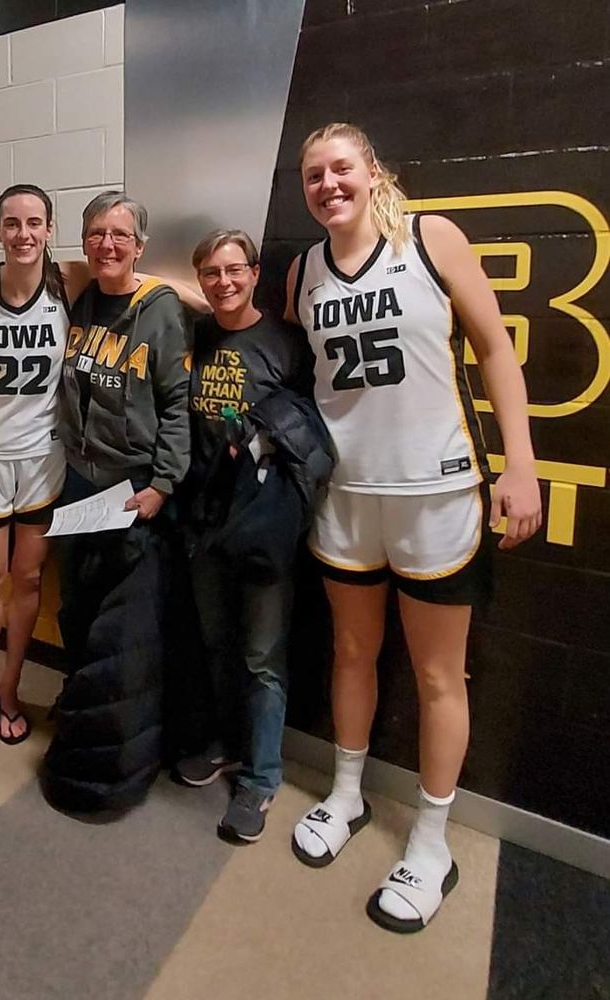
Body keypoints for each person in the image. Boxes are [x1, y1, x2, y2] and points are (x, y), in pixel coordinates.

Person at [285, 123, 542, 932]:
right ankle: (346, 792)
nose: (327, 185)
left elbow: (497, 350)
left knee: (439, 677)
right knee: (351, 652)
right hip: (347, 496)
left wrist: (521, 462)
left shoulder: (430, 237)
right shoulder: (301, 272)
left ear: (372, 172)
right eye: (312, 176)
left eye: (340, 170)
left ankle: (431, 843)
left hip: (435, 493)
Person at [0, 185, 206, 749]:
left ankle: (14, 689)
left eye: (34, 222)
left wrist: (216, 298)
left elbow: (142, 280)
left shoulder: (68, 279)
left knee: (35, 580)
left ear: (48, 228)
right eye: (11, 223)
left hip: (49, 459)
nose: (23, 233)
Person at [41, 190, 193, 813]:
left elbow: (179, 403)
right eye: (97, 233)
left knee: (125, 625)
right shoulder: (80, 298)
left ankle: (120, 739)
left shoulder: (159, 311)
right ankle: (83, 714)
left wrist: (162, 484)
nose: (108, 243)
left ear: (140, 245)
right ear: (84, 241)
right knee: (77, 607)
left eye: (121, 235)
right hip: (80, 482)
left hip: (135, 489)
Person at [174, 229, 326, 844]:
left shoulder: (287, 345)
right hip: (204, 521)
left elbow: (312, 430)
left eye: (233, 270)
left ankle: (261, 779)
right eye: (211, 273)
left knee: (262, 657)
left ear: (254, 272)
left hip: (263, 525)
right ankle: (226, 746)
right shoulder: (200, 333)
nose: (223, 282)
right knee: (215, 644)